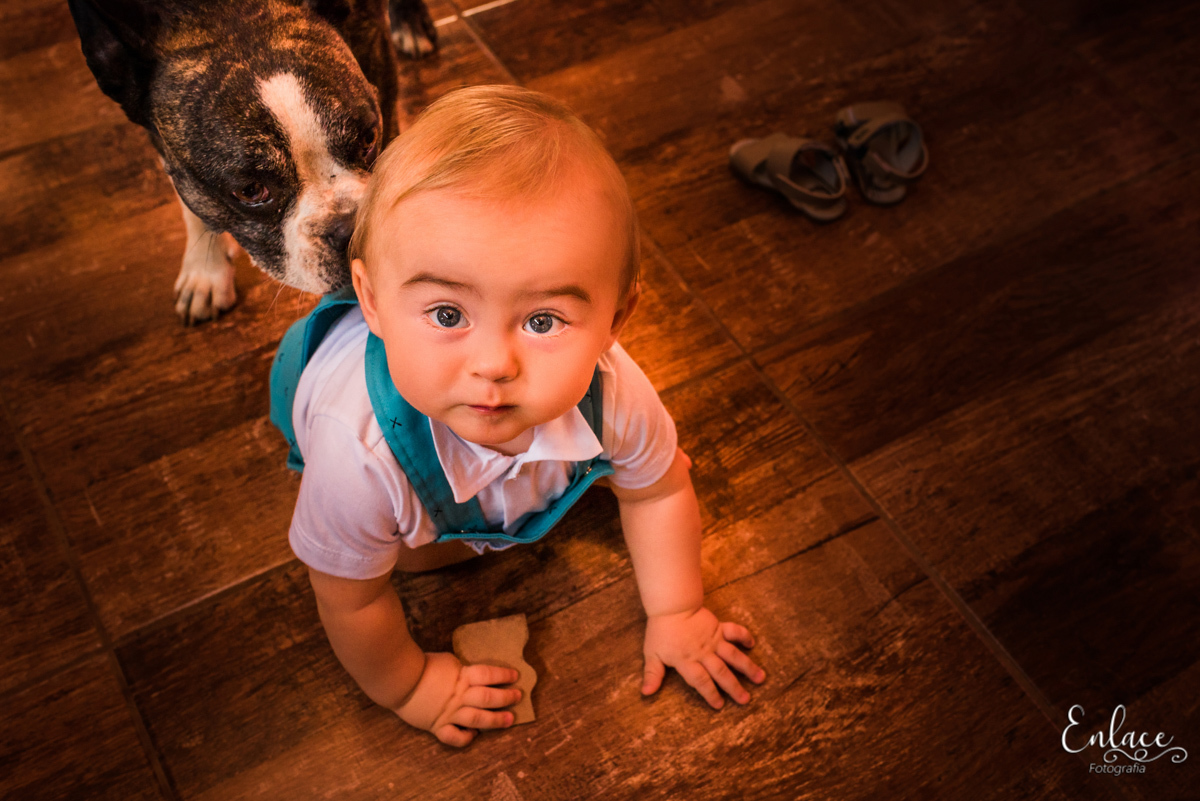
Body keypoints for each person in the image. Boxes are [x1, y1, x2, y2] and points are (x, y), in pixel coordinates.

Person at [271, 84, 766, 748]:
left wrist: (678, 608)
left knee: (638, 463)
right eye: (447, 314)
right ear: (373, 300)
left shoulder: (615, 391)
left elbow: (660, 490)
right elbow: (348, 596)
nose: (494, 364)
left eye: (542, 320)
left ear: (616, 321)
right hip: (375, 448)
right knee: (402, 556)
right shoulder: (354, 452)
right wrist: (411, 684)